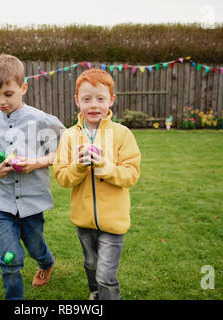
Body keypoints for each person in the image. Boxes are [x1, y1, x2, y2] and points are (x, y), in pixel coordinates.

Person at [0, 54, 65, 300]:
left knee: (35, 246)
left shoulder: (41, 120)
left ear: (23, 87)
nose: (1, 101)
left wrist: (36, 163)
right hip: (3, 204)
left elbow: (64, 150)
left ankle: (46, 262)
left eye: (8, 94)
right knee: (11, 258)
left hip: (32, 202)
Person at [53, 68, 141, 300]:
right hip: (84, 220)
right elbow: (62, 177)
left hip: (113, 221)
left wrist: (104, 166)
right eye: (87, 99)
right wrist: (80, 167)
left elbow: (131, 174)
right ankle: (95, 292)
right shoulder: (70, 136)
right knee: (91, 263)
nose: (94, 105)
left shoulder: (122, 134)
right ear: (77, 101)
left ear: (111, 99)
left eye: (100, 98)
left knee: (105, 275)